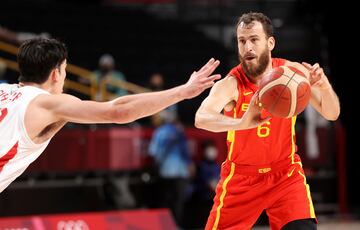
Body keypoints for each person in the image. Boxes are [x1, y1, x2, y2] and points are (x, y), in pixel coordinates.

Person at [0, 38, 221, 193]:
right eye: (66, 69)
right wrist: (183, 91)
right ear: (57, 73)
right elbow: (119, 111)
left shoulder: (4, 90)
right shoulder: (48, 103)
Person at [195, 12, 340, 230]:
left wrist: (324, 87)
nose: (247, 48)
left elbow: (332, 113)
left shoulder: (293, 74)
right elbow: (201, 118)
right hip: (242, 179)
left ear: (270, 42)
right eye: (242, 41)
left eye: (254, 39)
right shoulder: (231, 84)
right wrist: (243, 122)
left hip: (285, 175)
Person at [148, 109, 194, 226]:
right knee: (178, 202)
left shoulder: (159, 132)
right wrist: (190, 166)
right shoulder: (178, 132)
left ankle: (164, 226)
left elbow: (153, 152)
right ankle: (176, 225)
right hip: (180, 173)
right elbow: (185, 153)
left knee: (164, 202)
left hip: (164, 173)